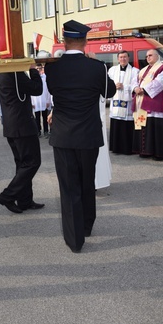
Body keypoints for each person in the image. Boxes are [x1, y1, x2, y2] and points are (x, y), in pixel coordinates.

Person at [45, 20, 116, 253]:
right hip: (88, 136)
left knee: (69, 187)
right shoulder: (96, 68)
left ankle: (75, 240)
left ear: (64, 41)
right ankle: (86, 226)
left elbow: (54, 92)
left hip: (63, 135)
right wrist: (98, 69)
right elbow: (109, 91)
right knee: (87, 183)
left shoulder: (52, 68)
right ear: (85, 42)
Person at [0, 66, 44, 213]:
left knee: (22, 164)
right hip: (22, 125)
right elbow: (37, 89)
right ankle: (7, 195)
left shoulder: (1, 71)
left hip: (12, 125)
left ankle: (25, 200)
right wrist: (34, 71)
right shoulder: (14, 73)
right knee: (32, 163)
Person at [132, 49, 163, 160]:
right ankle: (145, 151)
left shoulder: (161, 67)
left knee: (156, 129)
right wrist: (135, 88)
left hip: (155, 103)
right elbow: (135, 81)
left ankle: (158, 153)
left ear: (157, 56)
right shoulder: (143, 70)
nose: (148, 58)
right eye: (146, 56)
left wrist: (143, 90)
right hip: (141, 102)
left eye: (150, 55)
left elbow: (160, 82)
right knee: (144, 127)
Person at [108, 51, 139, 155]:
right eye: (121, 57)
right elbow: (108, 83)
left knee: (127, 126)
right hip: (116, 103)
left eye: (125, 57)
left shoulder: (135, 71)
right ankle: (116, 148)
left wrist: (124, 87)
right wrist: (114, 86)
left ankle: (127, 149)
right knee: (116, 124)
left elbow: (136, 85)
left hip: (127, 104)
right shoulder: (112, 70)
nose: (123, 59)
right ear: (118, 59)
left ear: (128, 58)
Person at [31, 63, 52, 138]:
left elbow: (47, 91)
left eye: (40, 68)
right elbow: (31, 92)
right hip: (36, 101)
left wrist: (48, 101)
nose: (38, 70)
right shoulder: (33, 79)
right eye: (37, 69)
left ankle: (46, 131)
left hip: (44, 100)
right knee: (37, 117)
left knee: (44, 116)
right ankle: (38, 131)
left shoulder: (44, 78)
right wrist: (32, 102)